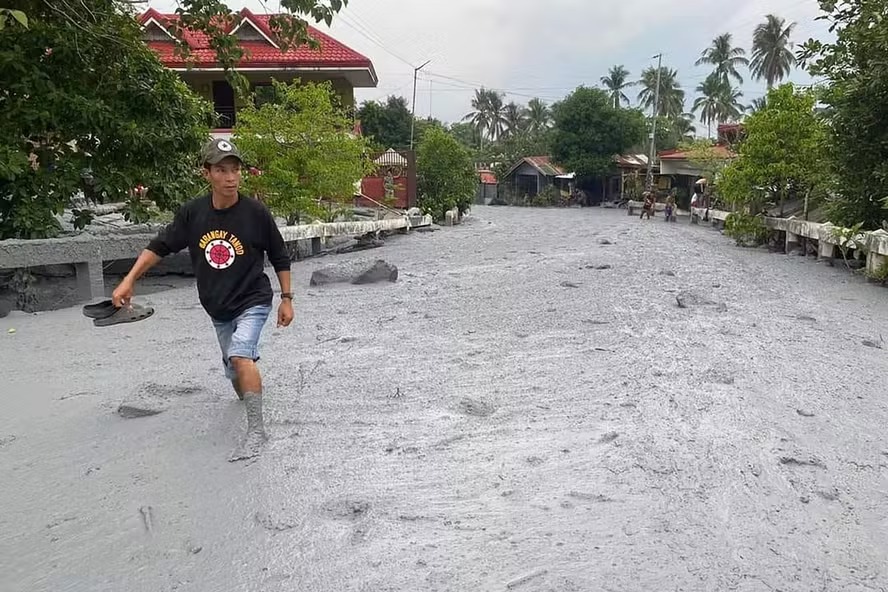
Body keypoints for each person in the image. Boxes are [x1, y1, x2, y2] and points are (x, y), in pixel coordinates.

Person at [110, 138, 294, 462]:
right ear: (206, 173)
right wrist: (128, 280)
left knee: (240, 355)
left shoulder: (256, 213)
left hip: (254, 298)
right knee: (236, 370)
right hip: (217, 307)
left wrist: (287, 298)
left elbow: (280, 256)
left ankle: (256, 432)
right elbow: (159, 247)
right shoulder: (193, 214)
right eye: (221, 170)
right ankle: (246, 387)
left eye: (235, 169)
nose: (230, 177)